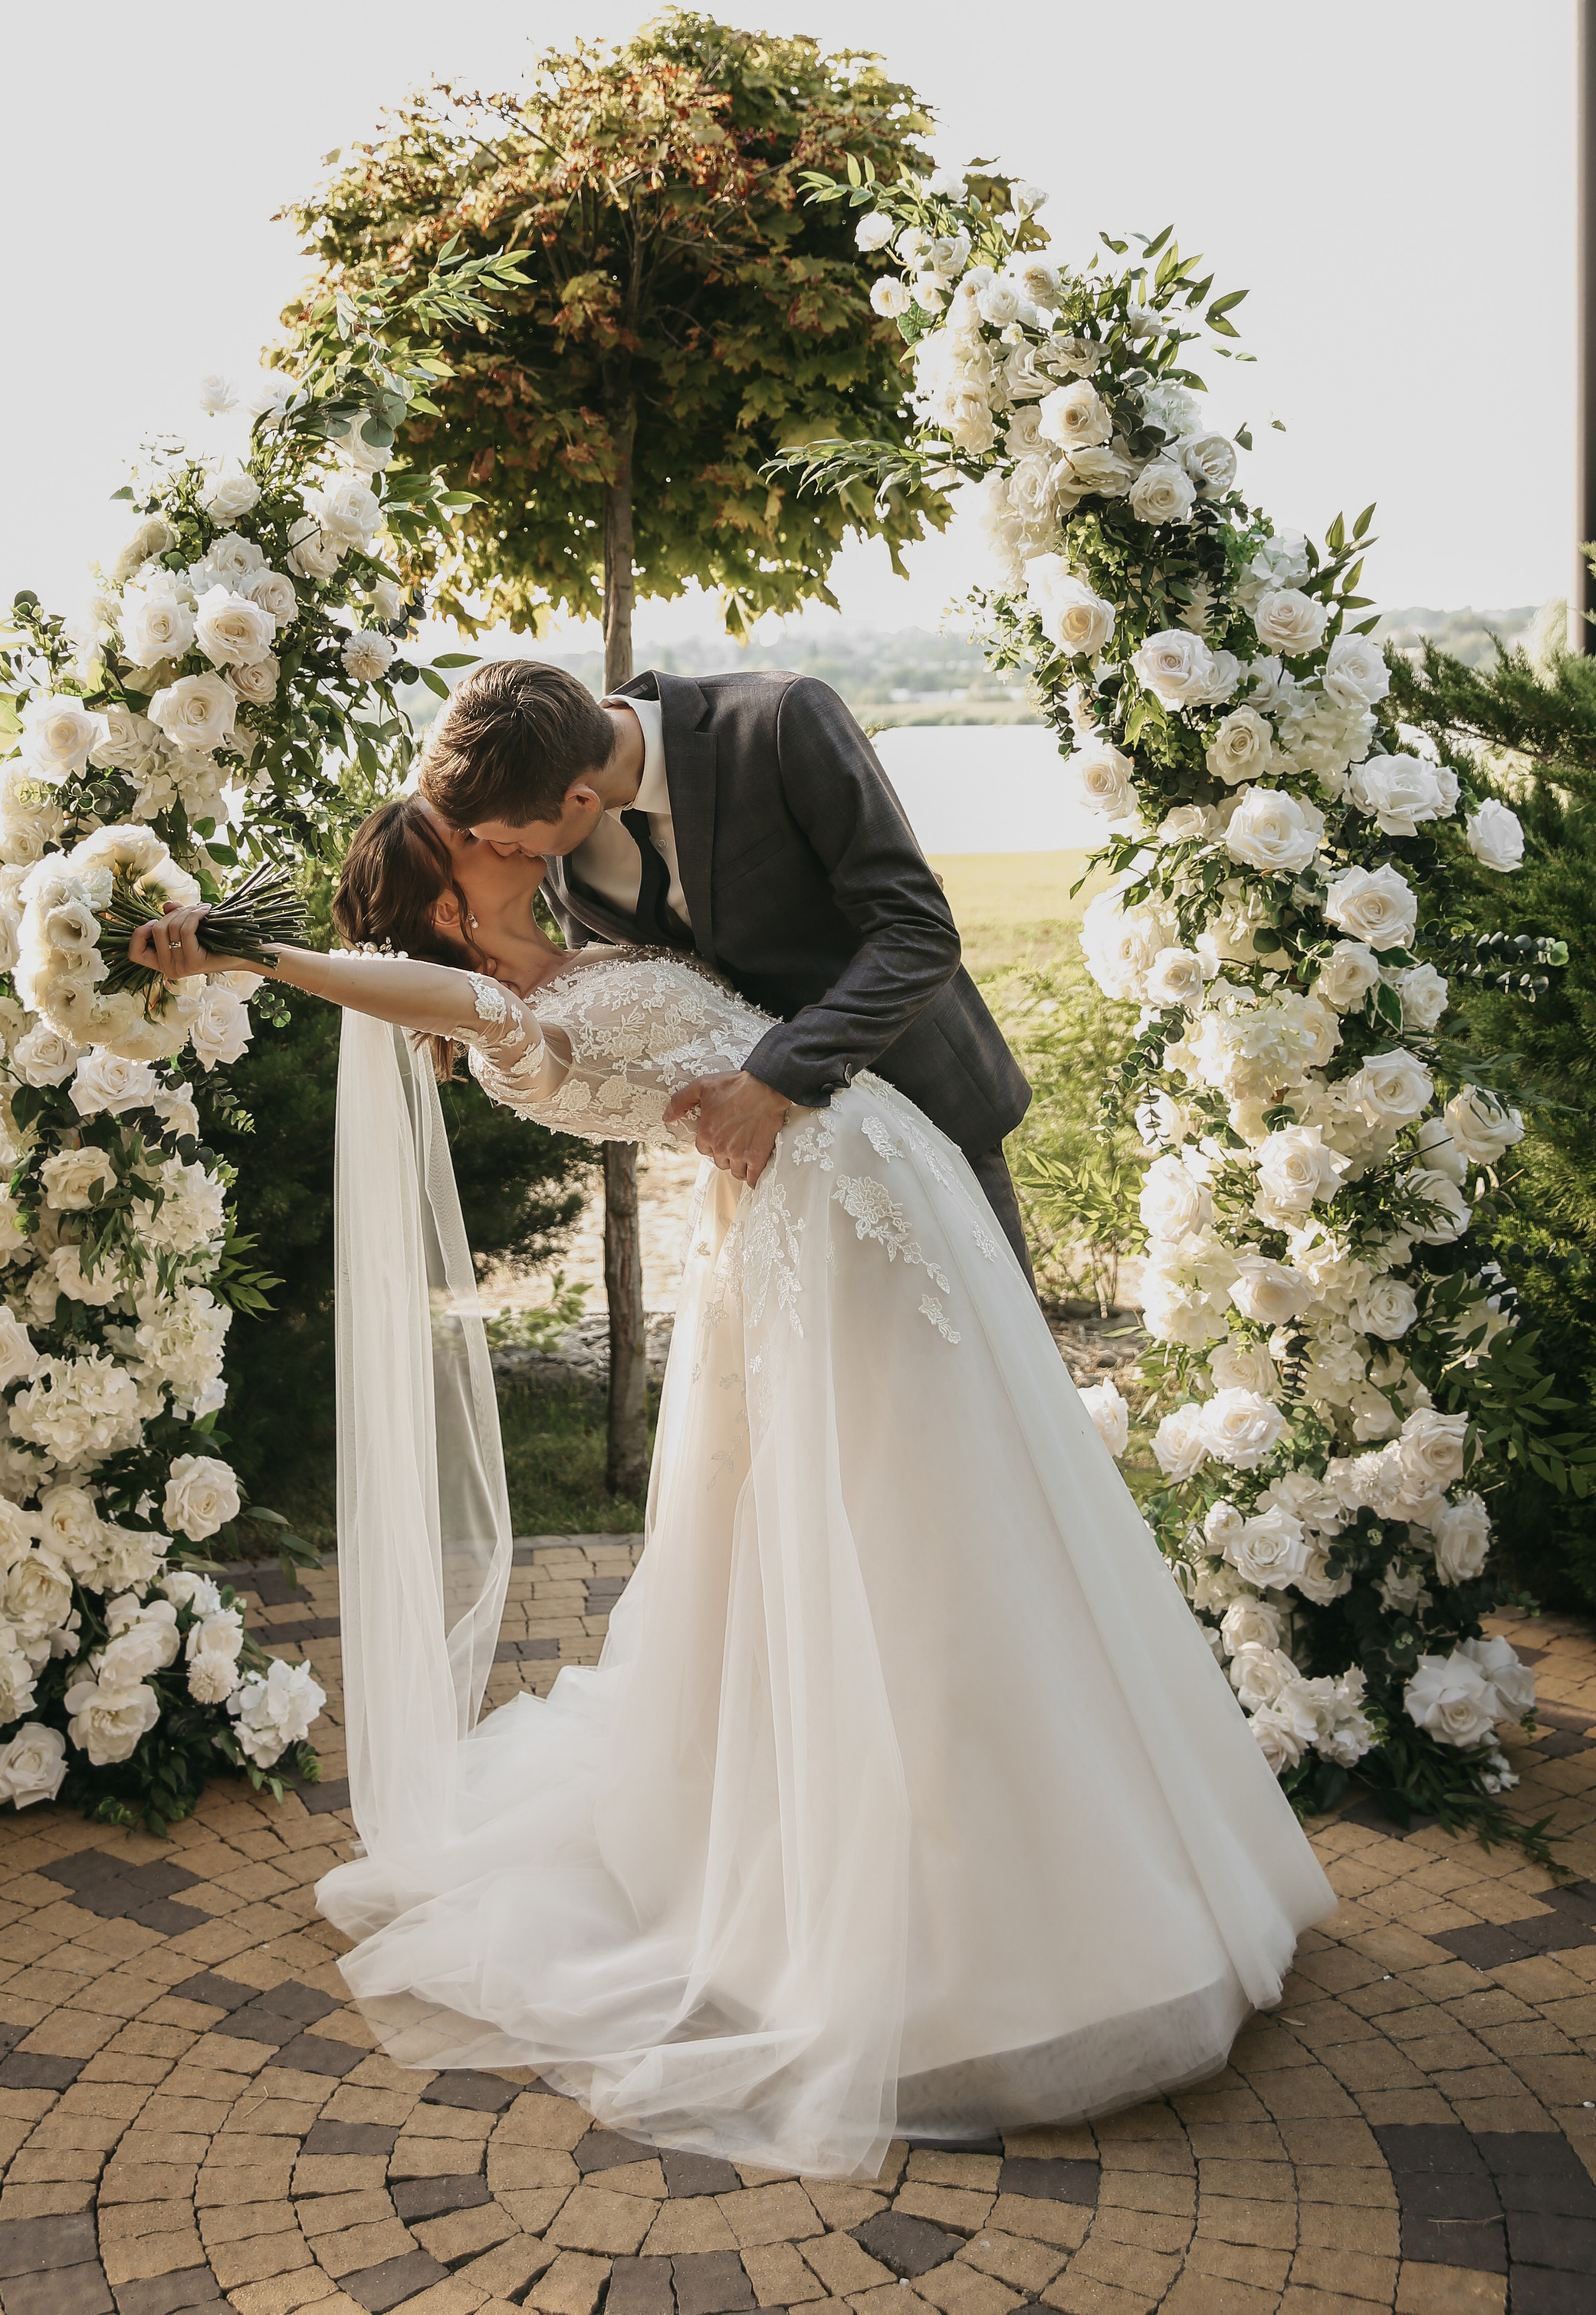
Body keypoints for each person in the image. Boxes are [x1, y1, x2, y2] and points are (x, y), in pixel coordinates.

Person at [133, 803, 1336, 2183]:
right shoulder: (505, 1021)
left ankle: (1120, 1838)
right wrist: (263, 960)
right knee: (903, 1539)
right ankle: (956, 1927)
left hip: (880, 1177)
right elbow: (415, 990)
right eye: (472, 840)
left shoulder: (587, 934)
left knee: (992, 1503)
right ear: (450, 903)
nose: (512, 838)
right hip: (808, 1236)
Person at [418, 658, 1036, 1269]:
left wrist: (775, 1076)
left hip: (926, 1103)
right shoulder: (548, 818)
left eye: (508, 840)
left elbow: (918, 931)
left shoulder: (779, 720)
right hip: (774, 1175)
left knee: (994, 1358)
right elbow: (640, 987)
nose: (504, 854)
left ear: (581, 800)